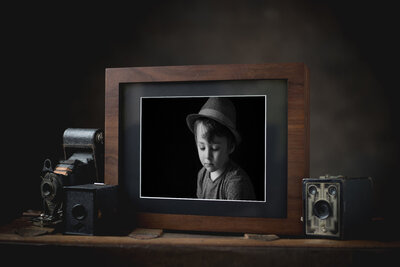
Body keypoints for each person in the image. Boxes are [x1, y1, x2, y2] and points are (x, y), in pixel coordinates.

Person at [186, 97, 256, 200]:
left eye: (214, 148)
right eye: (202, 147)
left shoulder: (236, 183)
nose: (207, 156)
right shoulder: (202, 175)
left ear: (231, 147)